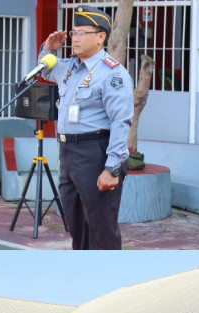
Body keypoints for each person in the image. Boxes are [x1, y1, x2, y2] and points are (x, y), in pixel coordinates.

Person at [39, 5, 134, 250]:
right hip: (69, 154)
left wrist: (112, 167)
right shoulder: (70, 67)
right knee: (75, 225)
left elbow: (120, 122)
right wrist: (48, 48)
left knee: (101, 229)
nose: (75, 38)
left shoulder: (112, 74)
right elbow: (45, 70)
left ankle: (110, 280)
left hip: (95, 152)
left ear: (101, 37)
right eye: (74, 33)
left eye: (82, 33)